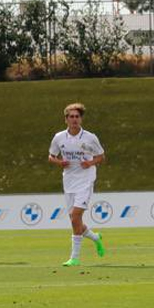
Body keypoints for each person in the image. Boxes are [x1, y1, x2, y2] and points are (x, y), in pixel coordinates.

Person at [48, 103, 106, 267]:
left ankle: (75, 257)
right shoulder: (59, 137)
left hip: (86, 180)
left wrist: (90, 162)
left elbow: (101, 156)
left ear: (81, 119)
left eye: (77, 116)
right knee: (75, 221)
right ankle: (96, 238)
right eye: (71, 117)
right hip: (69, 181)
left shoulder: (90, 137)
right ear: (66, 119)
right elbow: (51, 156)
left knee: (75, 217)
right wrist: (60, 162)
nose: (74, 119)